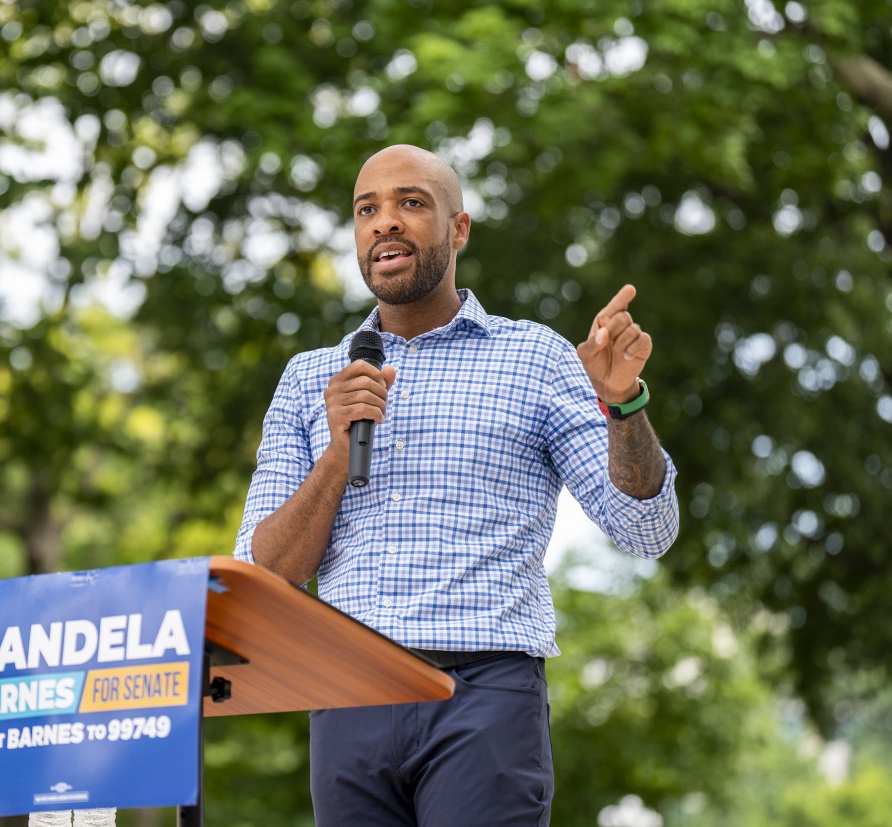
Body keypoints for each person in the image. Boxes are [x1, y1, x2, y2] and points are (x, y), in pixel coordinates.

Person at [232, 144, 679, 826]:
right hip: (347, 694)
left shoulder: (534, 357)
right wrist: (335, 448)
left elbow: (647, 528)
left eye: (411, 203)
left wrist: (624, 406)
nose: (386, 222)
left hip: (483, 696)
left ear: (459, 229)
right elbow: (269, 573)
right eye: (367, 210)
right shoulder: (308, 378)